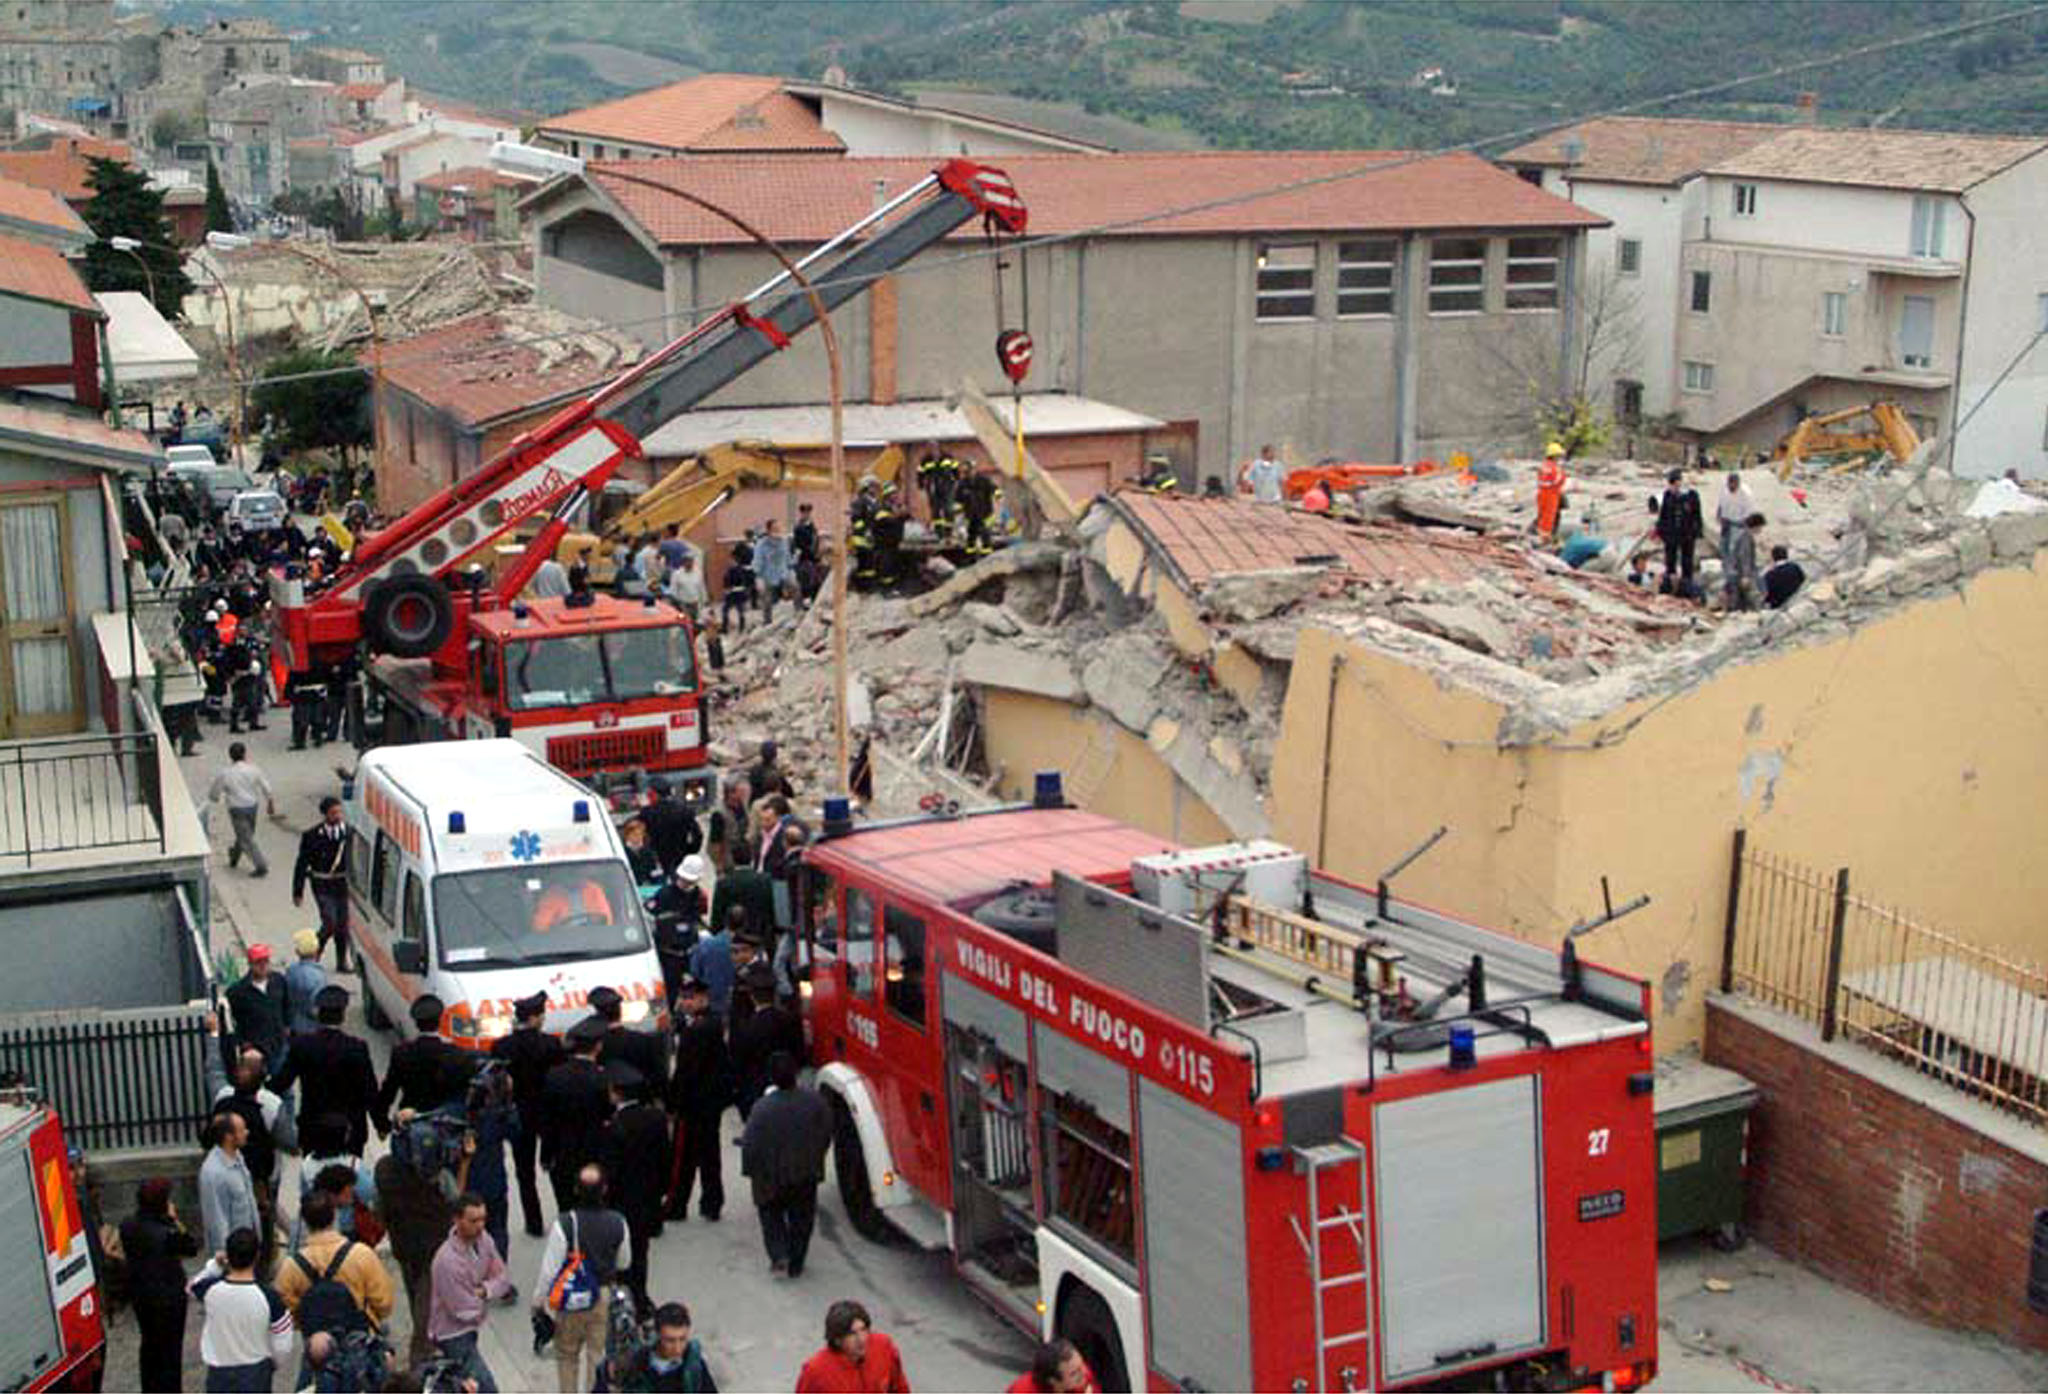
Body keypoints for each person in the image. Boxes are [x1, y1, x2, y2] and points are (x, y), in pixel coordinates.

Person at [375, 1121, 464, 1370]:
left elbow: (377, 1208)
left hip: (403, 1246)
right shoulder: (439, 1176)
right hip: (433, 1250)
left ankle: (424, 1342)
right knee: (425, 1304)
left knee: (416, 1294)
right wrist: (465, 1163)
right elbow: (458, 1202)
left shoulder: (385, 1171)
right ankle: (421, 1358)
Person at [535, 1163, 630, 1394]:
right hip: (603, 1297)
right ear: (605, 1189)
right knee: (597, 1356)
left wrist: (538, 1303)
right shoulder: (618, 1222)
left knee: (567, 1356)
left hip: (571, 1300)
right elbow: (624, 1262)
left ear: (576, 1189)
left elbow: (549, 1270)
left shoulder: (565, 1224)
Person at [739, 1052, 833, 1279]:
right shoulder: (815, 1102)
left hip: (771, 1176)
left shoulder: (762, 1108)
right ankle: (797, 1260)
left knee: (770, 1215)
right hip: (805, 1173)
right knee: (802, 1218)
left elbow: (751, 1144)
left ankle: (779, 1254)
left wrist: (750, 1171)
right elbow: (826, 1132)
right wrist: (816, 1157)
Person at [277, 1189, 394, 1366]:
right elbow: (384, 1303)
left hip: (318, 1352)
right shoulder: (361, 1254)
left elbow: (287, 1312)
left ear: (305, 1222)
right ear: (334, 1215)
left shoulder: (292, 1266)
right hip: (360, 1344)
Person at [595, 1062, 669, 1315]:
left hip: (620, 1201)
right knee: (640, 1250)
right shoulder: (656, 1119)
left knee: (619, 1253)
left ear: (616, 1093)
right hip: (647, 1197)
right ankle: (640, 1296)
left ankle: (624, 1299)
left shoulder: (614, 1126)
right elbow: (664, 1159)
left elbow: (610, 1170)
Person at [273, 985, 380, 1156]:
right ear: (343, 1015)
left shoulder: (302, 1046)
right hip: (350, 1129)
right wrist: (380, 1123)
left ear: (318, 1014)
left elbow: (282, 1082)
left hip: (313, 1127)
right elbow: (370, 1090)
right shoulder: (356, 1048)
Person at [491, 991, 564, 1239]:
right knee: (554, 1164)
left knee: (525, 1172)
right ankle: (565, 1215)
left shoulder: (501, 1047)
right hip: (548, 1113)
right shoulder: (551, 1045)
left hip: (518, 1114)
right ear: (534, 1018)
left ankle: (534, 1222)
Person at [190, 1227, 294, 1393]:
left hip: (219, 1374)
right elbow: (283, 1343)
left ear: (228, 1256)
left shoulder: (210, 1290)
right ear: (257, 1256)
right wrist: (271, 1364)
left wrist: (214, 1265)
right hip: (255, 1374)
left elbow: (192, 1286)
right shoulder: (270, 1297)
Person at [122, 1177, 201, 1392]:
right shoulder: (166, 1234)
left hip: (142, 1297)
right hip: (168, 1301)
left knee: (149, 1347)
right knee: (170, 1353)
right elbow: (191, 1247)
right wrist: (174, 1220)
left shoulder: (128, 1226)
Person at [428, 1193, 511, 1393]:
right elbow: (464, 1309)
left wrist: (482, 1291)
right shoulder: (446, 1262)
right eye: (473, 1220)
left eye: (483, 1219)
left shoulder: (484, 1241)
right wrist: (488, 1295)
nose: (480, 1225)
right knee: (486, 1389)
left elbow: (503, 1279)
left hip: (468, 1330)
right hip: (452, 1334)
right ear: (457, 1220)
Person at [665, 975, 729, 1224]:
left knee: (683, 1157)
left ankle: (676, 1205)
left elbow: (685, 1073)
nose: (685, 1002)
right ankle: (712, 1203)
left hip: (693, 1104)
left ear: (703, 999)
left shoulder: (696, 1031)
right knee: (710, 1154)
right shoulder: (712, 1023)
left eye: (691, 998)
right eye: (683, 998)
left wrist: (673, 1104)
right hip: (711, 1103)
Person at [539, 1017, 613, 1212]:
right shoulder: (602, 1078)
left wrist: (546, 1155)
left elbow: (547, 1119)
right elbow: (608, 1116)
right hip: (594, 1152)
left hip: (563, 1152)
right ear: (597, 1047)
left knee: (566, 1205)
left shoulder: (554, 1076)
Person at [373, 996, 470, 1136]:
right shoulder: (455, 1054)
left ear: (416, 1023)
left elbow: (388, 1091)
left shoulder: (402, 1053)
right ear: (440, 1021)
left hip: (409, 1121)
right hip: (445, 1123)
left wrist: (382, 1124)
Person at [729, 973, 803, 1123]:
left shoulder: (745, 1027)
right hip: (786, 1084)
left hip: (755, 1089)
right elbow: (799, 1052)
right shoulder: (791, 1020)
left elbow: (738, 1062)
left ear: (752, 996)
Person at [795, 1300, 910, 1394]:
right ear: (837, 1339)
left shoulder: (884, 1346)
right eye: (852, 1334)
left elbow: (899, 1387)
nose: (861, 1339)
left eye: (863, 1329)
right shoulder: (816, 1371)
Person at [292, 796, 353, 971]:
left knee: (343, 925)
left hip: (342, 884)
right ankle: (314, 951)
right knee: (330, 921)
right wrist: (298, 891)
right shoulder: (312, 836)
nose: (338, 816)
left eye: (339, 812)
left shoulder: (348, 834)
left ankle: (342, 961)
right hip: (322, 884)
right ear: (325, 815)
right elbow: (302, 864)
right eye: (333, 813)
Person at [603, 1301, 717, 1393]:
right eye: (670, 1341)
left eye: (682, 1339)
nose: (677, 1348)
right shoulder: (635, 1361)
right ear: (657, 1335)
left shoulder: (694, 1366)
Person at [209, 741, 276, 877]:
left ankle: (260, 864)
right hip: (252, 806)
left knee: (246, 838)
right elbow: (266, 787)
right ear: (245, 754)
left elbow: (214, 794)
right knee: (246, 834)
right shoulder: (253, 769)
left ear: (230, 756)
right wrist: (270, 803)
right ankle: (234, 856)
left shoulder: (225, 774)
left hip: (236, 808)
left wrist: (218, 799)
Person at [199, 1112, 259, 1258]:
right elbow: (216, 1217)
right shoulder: (213, 1172)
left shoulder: (238, 1157)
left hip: (248, 1247)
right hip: (233, 1255)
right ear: (229, 1137)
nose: (247, 1132)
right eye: (242, 1130)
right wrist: (224, 1254)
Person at [225, 942, 288, 1068]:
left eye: (265, 961)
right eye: (258, 962)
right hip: (255, 1052)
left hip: (278, 1047)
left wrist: (286, 1029)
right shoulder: (237, 992)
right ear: (250, 964)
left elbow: (287, 1006)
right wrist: (243, 1043)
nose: (263, 965)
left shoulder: (278, 981)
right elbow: (231, 1022)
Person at [1655, 467, 1704, 599]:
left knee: (1687, 561)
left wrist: (1697, 531)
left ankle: (1687, 587)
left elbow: (1697, 515)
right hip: (1671, 533)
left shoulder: (1691, 495)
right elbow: (1663, 514)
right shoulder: (1668, 495)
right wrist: (1660, 531)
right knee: (1670, 560)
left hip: (1687, 534)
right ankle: (1670, 585)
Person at [640, 778, 702, 879]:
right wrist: (689, 851)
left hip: (657, 860)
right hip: (679, 858)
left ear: (654, 794)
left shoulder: (647, 813)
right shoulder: (684, 810)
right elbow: (698, 835)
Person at [687, 907, 740, 1022]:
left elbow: (694, 971)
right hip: (739, 1006)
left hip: (712, 1003)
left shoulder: (706, 945)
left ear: (725, 921)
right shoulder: (749, 949)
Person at [283, 929, 327, 1038]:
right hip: (312, 1030)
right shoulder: (318, 977)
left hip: (294, 1025)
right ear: (317, 950)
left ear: (297, 952)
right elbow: (316, 1008)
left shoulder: (291, 971)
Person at [705, 780, 751, 874]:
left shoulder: (742, 806)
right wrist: (719, 866)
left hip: (742, 857)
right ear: (731, 793)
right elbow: (715, 843)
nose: (745, 793)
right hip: (728, 860)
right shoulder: (719, 814)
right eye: (741, 791)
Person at [1726, 512, 1766, 612]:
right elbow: (1744, 557)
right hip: (1741, 573)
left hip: (1736, 571)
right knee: (1750, 597)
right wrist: (1745, 575)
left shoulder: (1740, 534)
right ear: (1756, 526)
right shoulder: (1746, 537)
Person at [754, 519, 792, 621]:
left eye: (779, 528)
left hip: (783, 573)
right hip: (767, 575)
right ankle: (767, 620)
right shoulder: (762, 544)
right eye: (775, 528)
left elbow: (787, 558)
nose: (778, 530)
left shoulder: (784, 541)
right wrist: (758, 577)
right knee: (767, 599)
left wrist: (791, 568)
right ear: (769, 530)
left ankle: (797, 613)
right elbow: (758, 560)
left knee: (795, 588)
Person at [1716, 471, 1755, 567]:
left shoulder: (1745, 494)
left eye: (1733, 484)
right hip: (1726, 521)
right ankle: (1726, 564)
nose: (1731, 487)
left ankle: (1737, 567)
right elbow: (1721, 504)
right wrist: (1719, 515)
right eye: (1729, 484)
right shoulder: (1724, 489)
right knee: (1724, 546)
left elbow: (1749, 513)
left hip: (1739, 523)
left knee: (1735, 548)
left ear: (1737, 483)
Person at [1535, 441, 1568, 539]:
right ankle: (1545, 538)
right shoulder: (1556, 468)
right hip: (1552, 494)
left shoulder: (1543, 466)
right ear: (1555, 455)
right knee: (1549, 517)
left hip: (1541, 493)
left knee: (1542, 515)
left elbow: (1540, 480)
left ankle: (1540, 533)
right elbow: (1559, 480)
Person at [665, 552, 707, 622]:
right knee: (685, 623)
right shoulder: (677, 574)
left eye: (691, 561)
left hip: (695, 605)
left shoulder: (698, 573)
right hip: (683, 606)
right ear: (683, 562)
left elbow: (702, 588)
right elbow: (673, 592)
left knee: (696, 624)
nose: (690, 563)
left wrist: (705, 602)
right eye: (687, 561)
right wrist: (679, 606)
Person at [1762, 543, 1806, 609]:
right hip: (1796, 602)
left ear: (1773, 557)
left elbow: (1767, 593)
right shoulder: (1795, 567)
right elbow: (1803, 579)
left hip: (1778, 605)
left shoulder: (1770, 575)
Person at [792, 503, 819, 567]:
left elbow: (815, 539)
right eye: (805, 513)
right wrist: (812, 556)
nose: (807, 515)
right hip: (804, 558)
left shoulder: (811, 525)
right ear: (801, 514)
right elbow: (800, 544)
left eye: (809, 513)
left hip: (812, 556)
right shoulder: (798, 527)